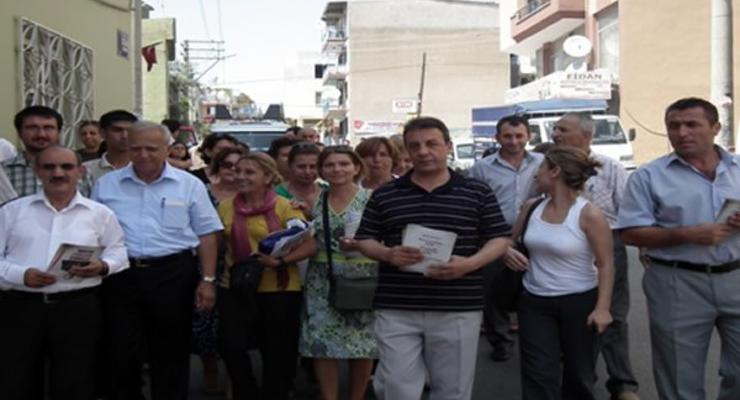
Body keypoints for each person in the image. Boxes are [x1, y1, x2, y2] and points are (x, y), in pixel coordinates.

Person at [353, 117, 511, 400]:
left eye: (432, 144)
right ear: (406, 152)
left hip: (458, 304)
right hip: (397, 304)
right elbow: (364, 239)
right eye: (415, 146)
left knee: (453, 389)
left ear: (448, 146)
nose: (423, 151)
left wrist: (470, 264)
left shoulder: (476, 191)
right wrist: (387, 253)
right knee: (397, 387)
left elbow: (500, 238)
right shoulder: (386, 194)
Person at [617, 97, 740, 400]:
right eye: (674, 126)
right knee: (679, 377)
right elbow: (630, 233)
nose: (682, 133)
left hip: (736, 276)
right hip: (677, 282)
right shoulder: (648, 176)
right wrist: (687, 235)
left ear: (715, 128)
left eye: (691, 125)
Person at [92, 121, 223, 400]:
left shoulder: (189, 185)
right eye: (136, 148)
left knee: (171, 351)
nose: (143, 155)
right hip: (121, 275)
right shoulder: (107, 185)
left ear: (167, 149)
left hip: (173, 274)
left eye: (151, 148)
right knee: (121, 350)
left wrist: (208, 280)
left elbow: (207, 234)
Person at [0, 146, 128, 400]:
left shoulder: (99, 213)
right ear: (37, 171)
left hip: (77, 308)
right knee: (17, 379)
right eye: (49, 167)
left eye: (66, 167)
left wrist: (103, 266)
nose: (58, 173)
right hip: (21, 308)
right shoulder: (12, 211)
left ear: (80, 171)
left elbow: (119, 251)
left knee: (76, 380)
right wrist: (20, 275)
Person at [504, 146, 614, 400]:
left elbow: (606, 263)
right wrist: (506, 252)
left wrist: (602, 308)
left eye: (541, 168)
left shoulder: (589, 214)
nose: (536, 174)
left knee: (579, 374)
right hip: (534, 301)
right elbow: (509, 241)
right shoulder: (532, 207)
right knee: (537, 373)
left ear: (554, 172)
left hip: (579, 302)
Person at [551, 112, 639, 400]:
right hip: (561, 248)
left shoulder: (610, 168)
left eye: (563, 129)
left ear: (586, 136)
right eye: (555, 129)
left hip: (606, 244)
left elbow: (628, 212)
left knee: (612, 315)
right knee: (573, 317)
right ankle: (580, 381)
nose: (555, 134)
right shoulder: (549, 168)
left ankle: (623, 385)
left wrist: (643, 248)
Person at [216, 153, 314, 400]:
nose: (241, 177)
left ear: (268, 177)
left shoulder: (286, 206)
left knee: (277, 352)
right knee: (231, 346)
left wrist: (279, 261)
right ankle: (246, 392)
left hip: (279, 288)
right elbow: (218, 245)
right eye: (238, 171)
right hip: (235, 286)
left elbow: (309, 244)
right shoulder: (225, 206)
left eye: (249, 172)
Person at [299, 145, 378, 400]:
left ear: (356, 167)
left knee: (362, 343)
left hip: (362, 275)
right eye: (330, 165)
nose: (337, 169)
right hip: (323, 276)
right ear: (322, 170)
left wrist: (364, 244)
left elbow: (386, 234)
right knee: (322, 343)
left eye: (344, 164)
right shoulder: (316, 200)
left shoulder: (371, 198)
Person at [469, 114, 544, 362]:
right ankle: (500, 341)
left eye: (519, 136)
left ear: (528, 136)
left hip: (535, 235)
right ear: (497, 137)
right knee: (493, 292)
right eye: (507, 136)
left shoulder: (543, 163)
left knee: (533, 290)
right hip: (494, 235)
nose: (513, 141)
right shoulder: (482, 168)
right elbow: (474, 206)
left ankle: (535, 341)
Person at [2, 105, 63, 196]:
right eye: (32, 128)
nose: (41, 134)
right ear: (19, 132)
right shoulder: (3, 172)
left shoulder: (78, 171)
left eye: (48, 128)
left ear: (58, 132)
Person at [82, 110, 138, 187]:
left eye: (129, 131)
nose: (124, 136)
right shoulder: (87, 170)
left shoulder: (145, 169)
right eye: (117, 130)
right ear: (103, 133)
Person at [274, 142, 325, 216]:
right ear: (289, 166)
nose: (307, 172)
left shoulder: (329, 192)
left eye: (313, 166)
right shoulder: (276, 195)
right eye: (301, 167)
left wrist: (311, 214)